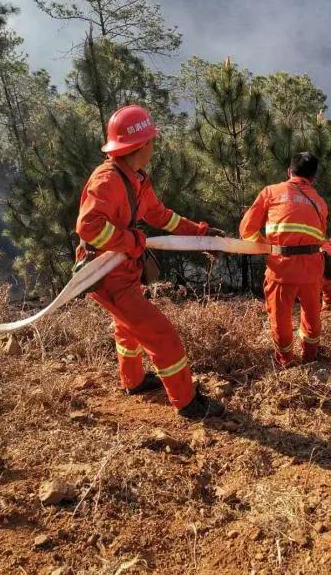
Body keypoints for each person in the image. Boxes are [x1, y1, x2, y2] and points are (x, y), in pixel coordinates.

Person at [75, 104, 225, 419]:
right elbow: (88, 227)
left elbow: (159, 215)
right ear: (139, 146)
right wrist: (131, 242)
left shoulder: (136, 179)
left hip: (123, 269)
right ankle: (188, 404)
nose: (154, 146)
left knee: (128, 327)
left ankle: (134, 381)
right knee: (162, 336)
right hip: (107, 274)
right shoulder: (107, 182)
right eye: (151, 141)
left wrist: (199, 234)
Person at [239, 152, 328, 365]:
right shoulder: (321, 203)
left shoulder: (271, 192)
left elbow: (246, 229)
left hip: (281, 270)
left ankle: (286, 361)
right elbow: (320, 238)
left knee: (280, 320)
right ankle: (310, 358)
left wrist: (264, 247)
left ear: (289, 171)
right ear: (313, 178)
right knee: (312, 318)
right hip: (312, 271)